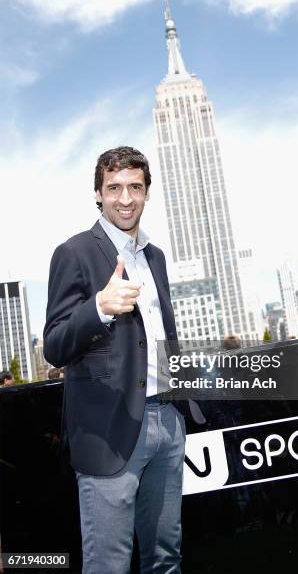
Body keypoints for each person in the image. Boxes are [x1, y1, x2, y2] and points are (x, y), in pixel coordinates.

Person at [44, 146, 205, 574]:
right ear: (98, 194)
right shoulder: (74, 253)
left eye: (135, 186)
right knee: (108, 566)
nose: (125, 198)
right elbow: (55, 345)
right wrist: (97, 308)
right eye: (114, 188)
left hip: (168, 422)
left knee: (166, 559)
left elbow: (162, 336)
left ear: (147, 193)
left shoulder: (156, 257)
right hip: (110, 432)